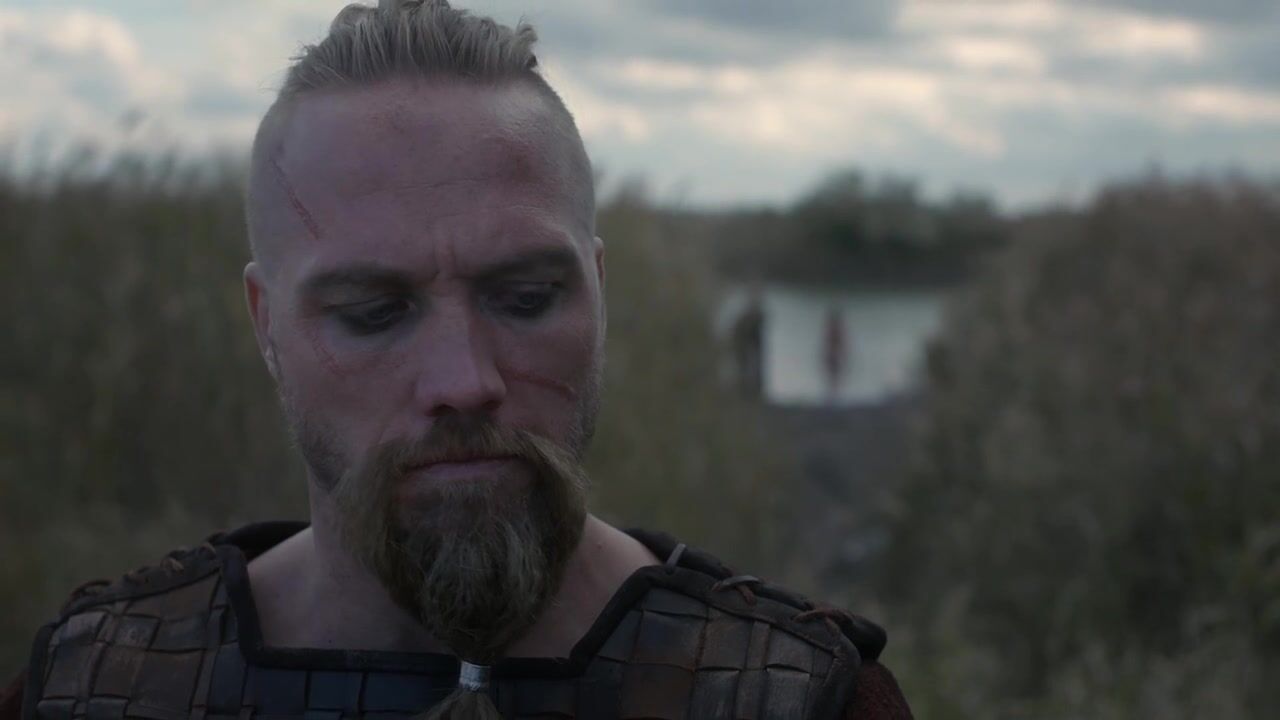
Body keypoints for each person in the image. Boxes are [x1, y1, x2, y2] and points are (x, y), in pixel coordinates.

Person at [1, 2, 913, 718]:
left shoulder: (801, 697)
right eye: (372, 313)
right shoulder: (97, 685)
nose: (464, 380)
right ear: (266, 327)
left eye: (526, 297)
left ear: (597, 294)